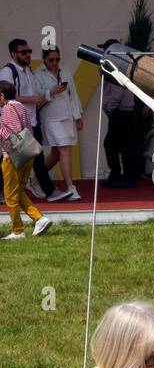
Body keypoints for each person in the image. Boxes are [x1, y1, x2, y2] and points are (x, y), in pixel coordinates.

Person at [2, 38, 55, 199]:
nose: (27, 55)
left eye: (29, 52)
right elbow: (6, 97)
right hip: (12, 122)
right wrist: (32, 99)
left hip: (30, 120)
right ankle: (46, 190)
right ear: (13, 54)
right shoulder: (8, 72)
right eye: (23, 52)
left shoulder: (28, 72)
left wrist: (44, 96)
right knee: (9, 158)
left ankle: (48, 190)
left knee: (36, 156)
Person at [0, 79, 52, 240]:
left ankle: (18, 230)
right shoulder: (20, 106)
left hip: (13, 156)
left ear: (1, 96)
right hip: (28, 153)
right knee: (18, 191)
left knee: (10, 195)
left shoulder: (8, 108)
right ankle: (39, 218)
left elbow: (13, 132)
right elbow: (27, 129)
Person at [34, 47, 82, 202]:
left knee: (56, 153)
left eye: (57, 59)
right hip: (51, 118)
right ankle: (70, 187)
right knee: (65, 150)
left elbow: (72, 93)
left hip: (66, 115)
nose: (55, 63)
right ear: (44, 59)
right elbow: (37, 97)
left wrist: (78, 115)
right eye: (51, 60)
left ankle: (34, 181)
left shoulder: (65, 70)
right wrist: (51, 92)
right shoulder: (38, 74)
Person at [100, 37, 142, 188]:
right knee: (125, 145)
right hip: (125, 111)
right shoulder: (125, 63)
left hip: (120, 111)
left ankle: (117, 174)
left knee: (111, 144)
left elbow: (116, 93)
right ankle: (127, 176)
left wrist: (109, 108)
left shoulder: (116, 65)